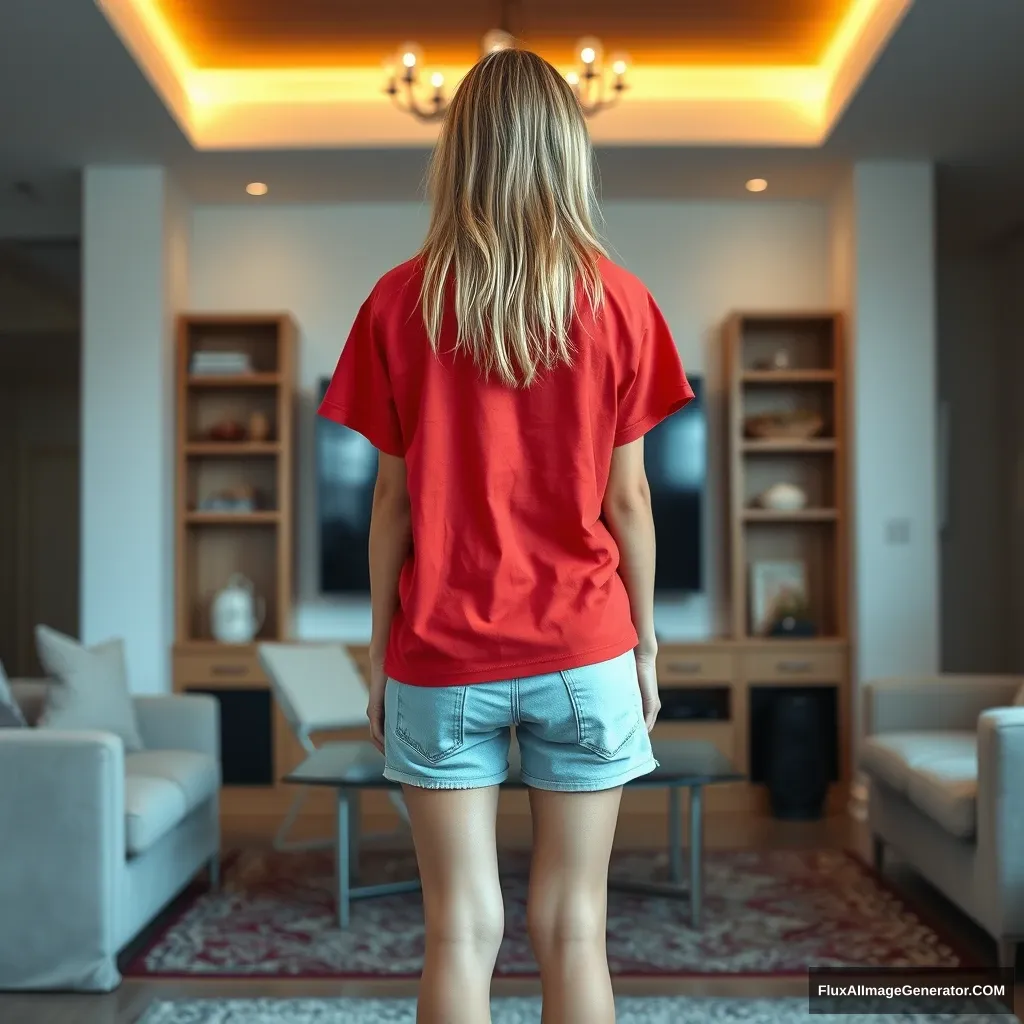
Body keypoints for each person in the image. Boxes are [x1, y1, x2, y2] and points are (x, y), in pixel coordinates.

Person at [319, 46, 693, 1024]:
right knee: (575, 927)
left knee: (457, 930)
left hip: (440, 656)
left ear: (461, 154)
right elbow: (632, 504)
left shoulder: (399, 301)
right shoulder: (622, 301)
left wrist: (378, 651)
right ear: (566, 151)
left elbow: (391, 505)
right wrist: (645, 644)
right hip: (585, 647)